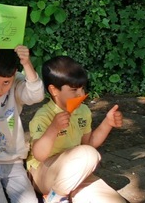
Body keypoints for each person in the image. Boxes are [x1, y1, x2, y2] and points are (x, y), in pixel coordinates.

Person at [26, 56, 125, 203]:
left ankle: (62, 195)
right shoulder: (44, 116)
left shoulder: (83, 111)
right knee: (88, 154)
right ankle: (56, 198)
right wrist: (53, 128)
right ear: (54, 90)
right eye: (74, 89)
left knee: (113, 200)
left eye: (82, 88)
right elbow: (39, 155)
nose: (81, 94)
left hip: (74, 173)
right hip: (43, 173)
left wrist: (107, 123)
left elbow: (88, 143)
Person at [0, 44, 44, 203]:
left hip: (13, 161)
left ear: (14, 75)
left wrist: (26, 63)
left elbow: (36, 95)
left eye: (6, 82)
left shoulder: (17, 82)